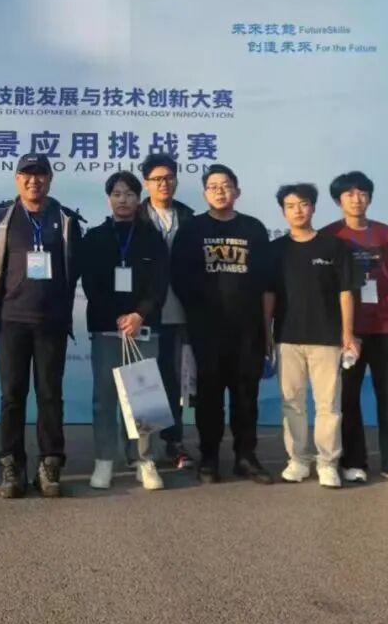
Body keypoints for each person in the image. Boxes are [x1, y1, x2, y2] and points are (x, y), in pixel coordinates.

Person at [0, 153, 84, 499]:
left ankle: (49, 463)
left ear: (50, 180)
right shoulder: (1, 218)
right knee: (12, 395)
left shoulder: (66, 219)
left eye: (40, 175)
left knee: (50, 395)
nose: (33, 181)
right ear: (17, 179)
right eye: (27, 174)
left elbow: (75, 267)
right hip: (11, 320)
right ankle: (11, 464)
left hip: (51, 323)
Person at [171, 164, 272, 484]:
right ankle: (209, 458)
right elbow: (180, 278)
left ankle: (246, 456)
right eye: (213, 186)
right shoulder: (192, 229)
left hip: (248, 330)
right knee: (209, 398)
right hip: (207, 331)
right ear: (204, 193)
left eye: (226, 185)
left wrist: (266, 329)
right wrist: (200, 314)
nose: (220, 191)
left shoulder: (254, 229)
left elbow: (266, 281)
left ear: (237, 191)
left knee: (246, 396)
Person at [322, 172, 388, 484]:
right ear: (338, 200)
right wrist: (340, 331)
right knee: (348, 399)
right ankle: (354, 462)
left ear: (370, 198)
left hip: (385, 326)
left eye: (362, 193)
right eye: (349, 194)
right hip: (349, 331)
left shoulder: (384, 232)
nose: (357, 199)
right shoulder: (330, 235)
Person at [80, 171, 169, 490]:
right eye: (117, 194)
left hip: (143, 327)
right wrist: (118, 317)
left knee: (144, 397)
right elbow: (91, 284)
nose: (123, 200)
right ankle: (104, 460)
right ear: (109, 199)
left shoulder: (152, 237)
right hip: (107, 328)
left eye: (129, 194)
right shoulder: (95, 237)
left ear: (138, 198)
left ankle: (144, 460)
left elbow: (159, 283)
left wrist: (139, 315)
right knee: (104, 399)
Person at [266, 183, 358, 489]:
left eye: (303, 204)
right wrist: (267, 333)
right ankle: (298, 460)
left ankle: (327, 463)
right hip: (287, 337)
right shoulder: (276, 250)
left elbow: (346, 293)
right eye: (290, 206)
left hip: (327, 338)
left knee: (328, 405)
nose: (297, 211)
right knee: (292, 403)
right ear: (283, 211)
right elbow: (269, 295)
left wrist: (347, 334)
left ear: (314, 207)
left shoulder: (334, 246)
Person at [139, 152, 195, 469]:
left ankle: (174, 442)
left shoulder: (188, 217)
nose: (164, 184)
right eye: (157, 179)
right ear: (146, 183)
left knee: (174, 379)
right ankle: (144, 450)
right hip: (144, 312)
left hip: (178, 311)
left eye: (169, 178)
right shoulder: (135, 217)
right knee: (145, 381)